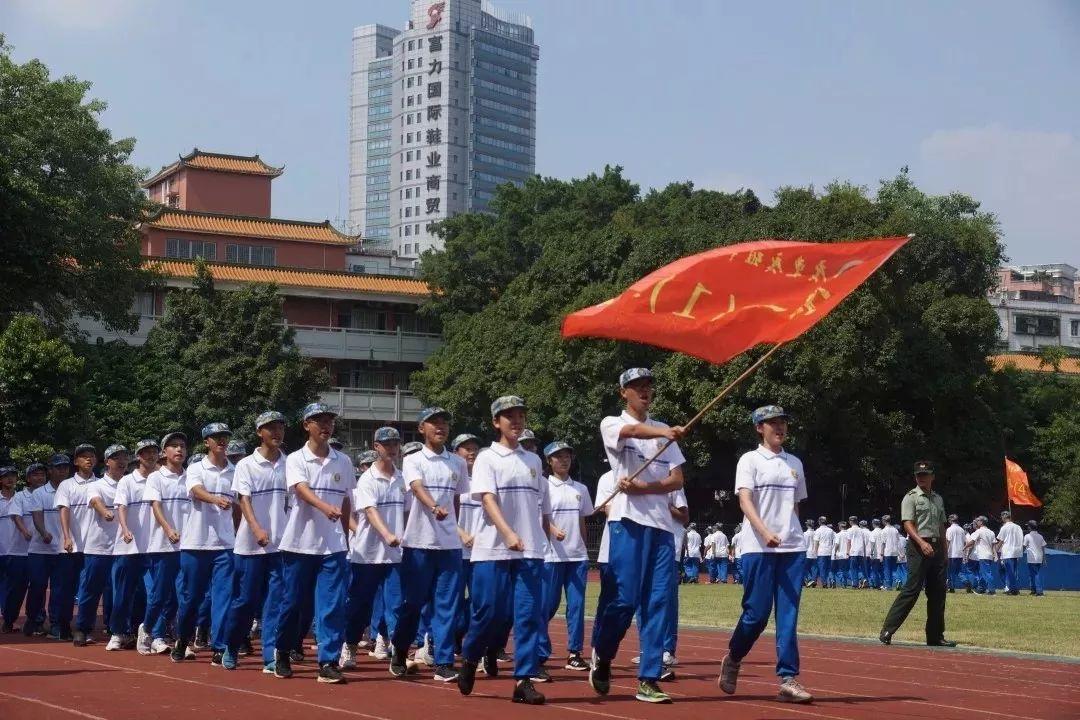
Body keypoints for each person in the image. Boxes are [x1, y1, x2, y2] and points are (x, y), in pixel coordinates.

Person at [588, 368, 685, 705]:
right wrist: (662, 432)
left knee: (658, 602)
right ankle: (603, 653)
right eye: (636, 386)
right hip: (627, 522)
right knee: (624, 600)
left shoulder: (663, 431)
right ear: (623, 393)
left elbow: (677, 480)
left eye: (647, 386)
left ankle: (649, 677)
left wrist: (647, 487)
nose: (644, 391)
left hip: (661, 529)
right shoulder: (612, 423)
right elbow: (631, 430)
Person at [457, 396, 549, 705]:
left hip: (530, 550)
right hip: (493, 549)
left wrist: (539, 538)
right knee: (488, 612)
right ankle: (470, 656)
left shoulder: (534, 461)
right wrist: (508, 532)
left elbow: (537, 508)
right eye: (509, 416)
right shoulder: (487, 458)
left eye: (521, 415)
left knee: (526, 616)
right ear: (497, 422)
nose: (516, 421)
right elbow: (487, 499)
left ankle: (523, 680)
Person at [717, 405, 813, 704]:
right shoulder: (750, 460)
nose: (780, 428)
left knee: (788, 615)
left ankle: (788, 678)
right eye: (773, 423)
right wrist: (764, 532)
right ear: (760, 427)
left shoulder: (794, 463)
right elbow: (745, 501)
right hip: (758, 547)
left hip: (791, 548)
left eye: (783, 422)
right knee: (756, 614)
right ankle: (734, 657)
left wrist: (790, 533)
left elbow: (796, 505)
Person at [274, 402, 356, 684]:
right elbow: (301, 489)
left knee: (332, 605)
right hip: (299, 544)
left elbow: (345, 501)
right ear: (306, 425)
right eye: (319, 420)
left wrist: (345, 537)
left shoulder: (343, 461)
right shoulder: (296, 459)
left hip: (332, 547)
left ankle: (328, 661)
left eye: (329, 421)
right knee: (293, 603)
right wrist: (324, 506)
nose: (325, 425)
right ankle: (282, 650)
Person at [389, 407, 468, 683]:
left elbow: (457, 499)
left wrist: (453, 528)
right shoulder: (413, 459)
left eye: (445, 422)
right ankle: (399, 650)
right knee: (413, 602)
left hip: (448, 547)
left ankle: (444, 661)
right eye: (434, 423)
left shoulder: (457, 463)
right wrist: (434, 507)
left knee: (447, 604)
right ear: (422, 428)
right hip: (419, 543)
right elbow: (417, 488)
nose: (441, 427)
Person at [222, 411, 289, 673]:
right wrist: (257, 529)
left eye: (280, 427)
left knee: (275, 602)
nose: (276, 433)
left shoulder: (290, 463)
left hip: (281, 546)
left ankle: (269, 655)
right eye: (270, 428)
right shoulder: (246, 465)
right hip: (250, 546)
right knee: (245, 601)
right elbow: (244, 501)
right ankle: (231, 644)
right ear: (259, 432)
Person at [170, 423, 236, 666]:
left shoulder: (234, 471)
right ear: (206, 442)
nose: (221, 441)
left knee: (223, 598)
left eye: (225, 437)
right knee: (190, 598)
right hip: (196, 544)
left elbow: (238, 507)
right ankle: (183, 639)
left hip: (225, 545)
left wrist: (238, 534)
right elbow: (196, 491)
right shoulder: (196, 468)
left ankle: (219, 646)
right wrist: (215, 499)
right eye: (216, 437)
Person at [342, 426, 406, 675]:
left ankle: (397, 653)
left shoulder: (402, 478)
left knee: (396, 605)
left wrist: (405, 538)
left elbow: (409, 512)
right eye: (386, 444)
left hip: (396, 556)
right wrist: (388, 535)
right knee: (360, 605)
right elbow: (371, 512)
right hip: (367, 554)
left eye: (395, 444)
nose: (391, 448)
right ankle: (349, 645)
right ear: (376, 446)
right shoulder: (367, 480)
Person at [879, 461, 954, 647]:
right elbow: (907, 524)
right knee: (911, 589)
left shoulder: (938, 499)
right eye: (919, 475)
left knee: (938, 593)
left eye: (925, 474)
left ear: (932, 476)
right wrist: (921, 542)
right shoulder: (910, 497)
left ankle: (935, 636)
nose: (922, 478)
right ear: (915, 477)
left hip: (936, 546)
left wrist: (945, 552)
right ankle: (888, 630)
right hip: (917, 546)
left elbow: (941, 526)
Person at [538, 441, 593, 674]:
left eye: (567, 456)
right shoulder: (544, 486)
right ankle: (538, 649)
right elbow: (540, 517)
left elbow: (582, 521)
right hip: (551, 557)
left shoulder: (580, 489)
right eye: (558, 456)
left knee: (577, 606)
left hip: (576, 557)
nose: (563, 460)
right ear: (549, 461)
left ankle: (575, 653)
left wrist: (583, 546)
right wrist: (552, 530)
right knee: (547, 606)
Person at [143, 432, 191, 655]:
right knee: (160, 595)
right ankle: (149, 629)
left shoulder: (191, 477)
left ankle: (182, 641)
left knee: (184, 594)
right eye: (173, 446)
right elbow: (156, 506)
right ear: (164, 452)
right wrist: (168, 529)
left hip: (188, 546)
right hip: (163, 545)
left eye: (182, 446)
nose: (179, 450)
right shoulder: (156, 477)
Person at [111, 439, 159, 654]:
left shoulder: (160, 478)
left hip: (156, 546)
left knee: (154, 593)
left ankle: (152, 633)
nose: (150, 456)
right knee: (123, 594)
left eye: (153, 452)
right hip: (129, 547)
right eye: (145, 453)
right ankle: (117, 633)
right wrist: (125, 529)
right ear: (138, 456)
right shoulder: (128, 481)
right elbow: (121, 507)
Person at [78, 444, 126, 649]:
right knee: (91, 589)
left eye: (124, 457)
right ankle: (82, 628)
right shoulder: (96, 484)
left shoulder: (128, 483)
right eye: (116, 458)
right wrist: (105, 511)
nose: (121, 461)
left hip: (123, 547)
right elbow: (95, 501)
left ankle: (117, 629)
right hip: (98, 547)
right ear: (107, 462)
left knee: (120, 590)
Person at [55, 443, 99, 644]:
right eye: (84, 456)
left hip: (94, 546)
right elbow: (64, 510)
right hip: (71, 547)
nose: (89, 459)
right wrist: (66, 536)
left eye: (92, 456)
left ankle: (83, 628)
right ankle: (62, 626)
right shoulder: (67, 485)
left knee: (89, 589)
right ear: (76, 462)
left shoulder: (100, 484)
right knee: (66, 589)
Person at [27, 453, 72, 639]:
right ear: (51, 471)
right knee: (37, 585)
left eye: (65, 467)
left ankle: (55, 624)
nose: (62, 471)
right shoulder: (39, 493)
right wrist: (44, 533)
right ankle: (35, 620)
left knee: (59, 588)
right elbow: (37, 517)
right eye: (58, 467)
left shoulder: (70, 489)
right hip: (40, 549)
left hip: (63, 549)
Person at [451, 432, 481, 660]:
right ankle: (451, 639)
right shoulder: (452, 480)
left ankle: (462, 633)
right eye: (465, 448)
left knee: (482, 599)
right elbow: (446, 512)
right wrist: (461, 534)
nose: (471, 452)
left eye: (474, 448)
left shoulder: (483, 478)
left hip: (481, 552)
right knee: (454, 599)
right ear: (455, 453)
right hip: (458, 550)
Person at [2, 465, 37, 632]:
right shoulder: (18, 498)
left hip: (31, 550)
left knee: (33, 587)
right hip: (10, 550)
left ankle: (31, 621)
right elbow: (16, 517)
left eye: (13, 476)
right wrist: (24, 531)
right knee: (12, 588)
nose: (10, 479)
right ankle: (8, 619)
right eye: (6, 476)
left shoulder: (28, 496)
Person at [966, 516, 997, 595]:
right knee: (984, 573)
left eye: (978, 520)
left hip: (983, 555)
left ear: (981, 522)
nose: (977, 522)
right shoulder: (991, 532)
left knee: (987, 573)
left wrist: (964, 547)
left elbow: (972, 542)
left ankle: (992, 590)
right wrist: (995, 554)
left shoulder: (979, 531)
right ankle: (982, 589)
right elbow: (993, 545)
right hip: (989, 555)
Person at [995, 511, 1023, 596]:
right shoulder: (1018, 527)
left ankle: (1013, 589)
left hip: (1008, 551)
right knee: (1013, 571)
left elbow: (1001, 540)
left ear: (1004, 517)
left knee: (1010, 571)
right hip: (1017, 551)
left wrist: (995, 550)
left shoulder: (1004, 527)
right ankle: (1013, 588)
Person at [1022, 520, 1047, 597]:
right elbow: (1043, 548)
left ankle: (1039, 591)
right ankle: (1033, 590)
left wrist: (1020, 554)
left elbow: (1024, 546)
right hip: (1039, 557)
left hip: (1031, 558)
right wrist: (1044, 559)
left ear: (1029, 527)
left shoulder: (1027, 536)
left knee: (1035, 574)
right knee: (1034, 574)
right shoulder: (1040, 536)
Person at [944, 514, 967, 593]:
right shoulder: (961, 530)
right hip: (960, 553)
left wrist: (945, 552)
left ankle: (952, 587)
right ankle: (966, 581)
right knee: (958, 571)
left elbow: (948, 541)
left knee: (951, 571)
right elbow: (964, 542)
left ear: (950, 520)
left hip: (952, 553)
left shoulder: (949, 529)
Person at [879, 514, 902, 590]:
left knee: (887, 569)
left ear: (884, 521)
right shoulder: (895, 530)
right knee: (894, 569)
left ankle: (888, 585)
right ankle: (897, 580)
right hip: (894, 552)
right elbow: (898, 541)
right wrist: (900, 552)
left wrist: (881, 554)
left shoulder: (884, 531)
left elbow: (883, 543)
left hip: (887, 552)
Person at [811, 518, 833, 589]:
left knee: (822, 568)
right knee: (828, 568)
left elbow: (816, 542)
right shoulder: (830, 530)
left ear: (819, 522)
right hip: (829, 551)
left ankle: (824, 583)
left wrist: (815, 551)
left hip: (821, 551)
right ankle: (830, 581)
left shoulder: (818, 530)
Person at [847, 517, 868, 589]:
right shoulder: (861, 530)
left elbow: (849, 542)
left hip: (853, 551)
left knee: (853, 568)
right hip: (861, 551)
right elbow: (864, 542)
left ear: (850, 522)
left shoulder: (849, 530)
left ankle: (855, 584)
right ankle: (864, 579)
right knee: (862, 568)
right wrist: (864, 553)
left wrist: (847, 551)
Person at [832, 521, 849, 588]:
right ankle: (846, 583)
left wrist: (835, 552)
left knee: (840, 570)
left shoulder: (838, 534)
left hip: (840, 555)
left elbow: (837, 544)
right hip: (848, 554)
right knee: (846, 569)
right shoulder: (849, 534)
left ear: (840, 527)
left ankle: (843, 583)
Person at [802, 519, 817, 588]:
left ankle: (809, 580)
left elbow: (803, 544)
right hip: (815, 552)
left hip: (807, 552)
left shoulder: (805, 534)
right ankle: (814, 580)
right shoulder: (816, 533)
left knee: (805, 568)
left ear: (807, 525)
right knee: (814, 568)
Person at [869, 519, 883, 589]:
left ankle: (877, 585)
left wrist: (871, 552)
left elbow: (872, 544)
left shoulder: (873, 533)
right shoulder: (883, 531)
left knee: (875, 571)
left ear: (873, 524)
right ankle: (883, 584)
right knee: (882, 570)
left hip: (876, 554)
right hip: (883, 554)